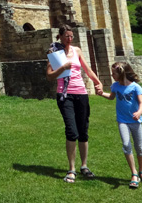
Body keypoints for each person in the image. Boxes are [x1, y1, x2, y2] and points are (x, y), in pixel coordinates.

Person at [46, 25, 103, 183]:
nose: (69, 39)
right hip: (65, 95)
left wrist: (98, 82)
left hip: (81, 94)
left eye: (71, 36)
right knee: (72, 131)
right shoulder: (54, 52)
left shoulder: (77, 51)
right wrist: (62, 68)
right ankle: (71, 169)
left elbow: (87, 69)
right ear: (60, 36)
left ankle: (84, 166)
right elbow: (49, 76)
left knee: (83, 131)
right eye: (66, 37)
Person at [96, 62, 142, 189]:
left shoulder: (135, 87)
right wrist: (101, 93)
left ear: (121, 73)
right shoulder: (115, 86)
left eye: (113, 73)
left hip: (135, 122)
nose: (112, 75)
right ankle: (134, 173)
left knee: (139, 147)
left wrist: (139, 112)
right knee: (126, 145)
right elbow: (111, 97)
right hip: (122, 121)